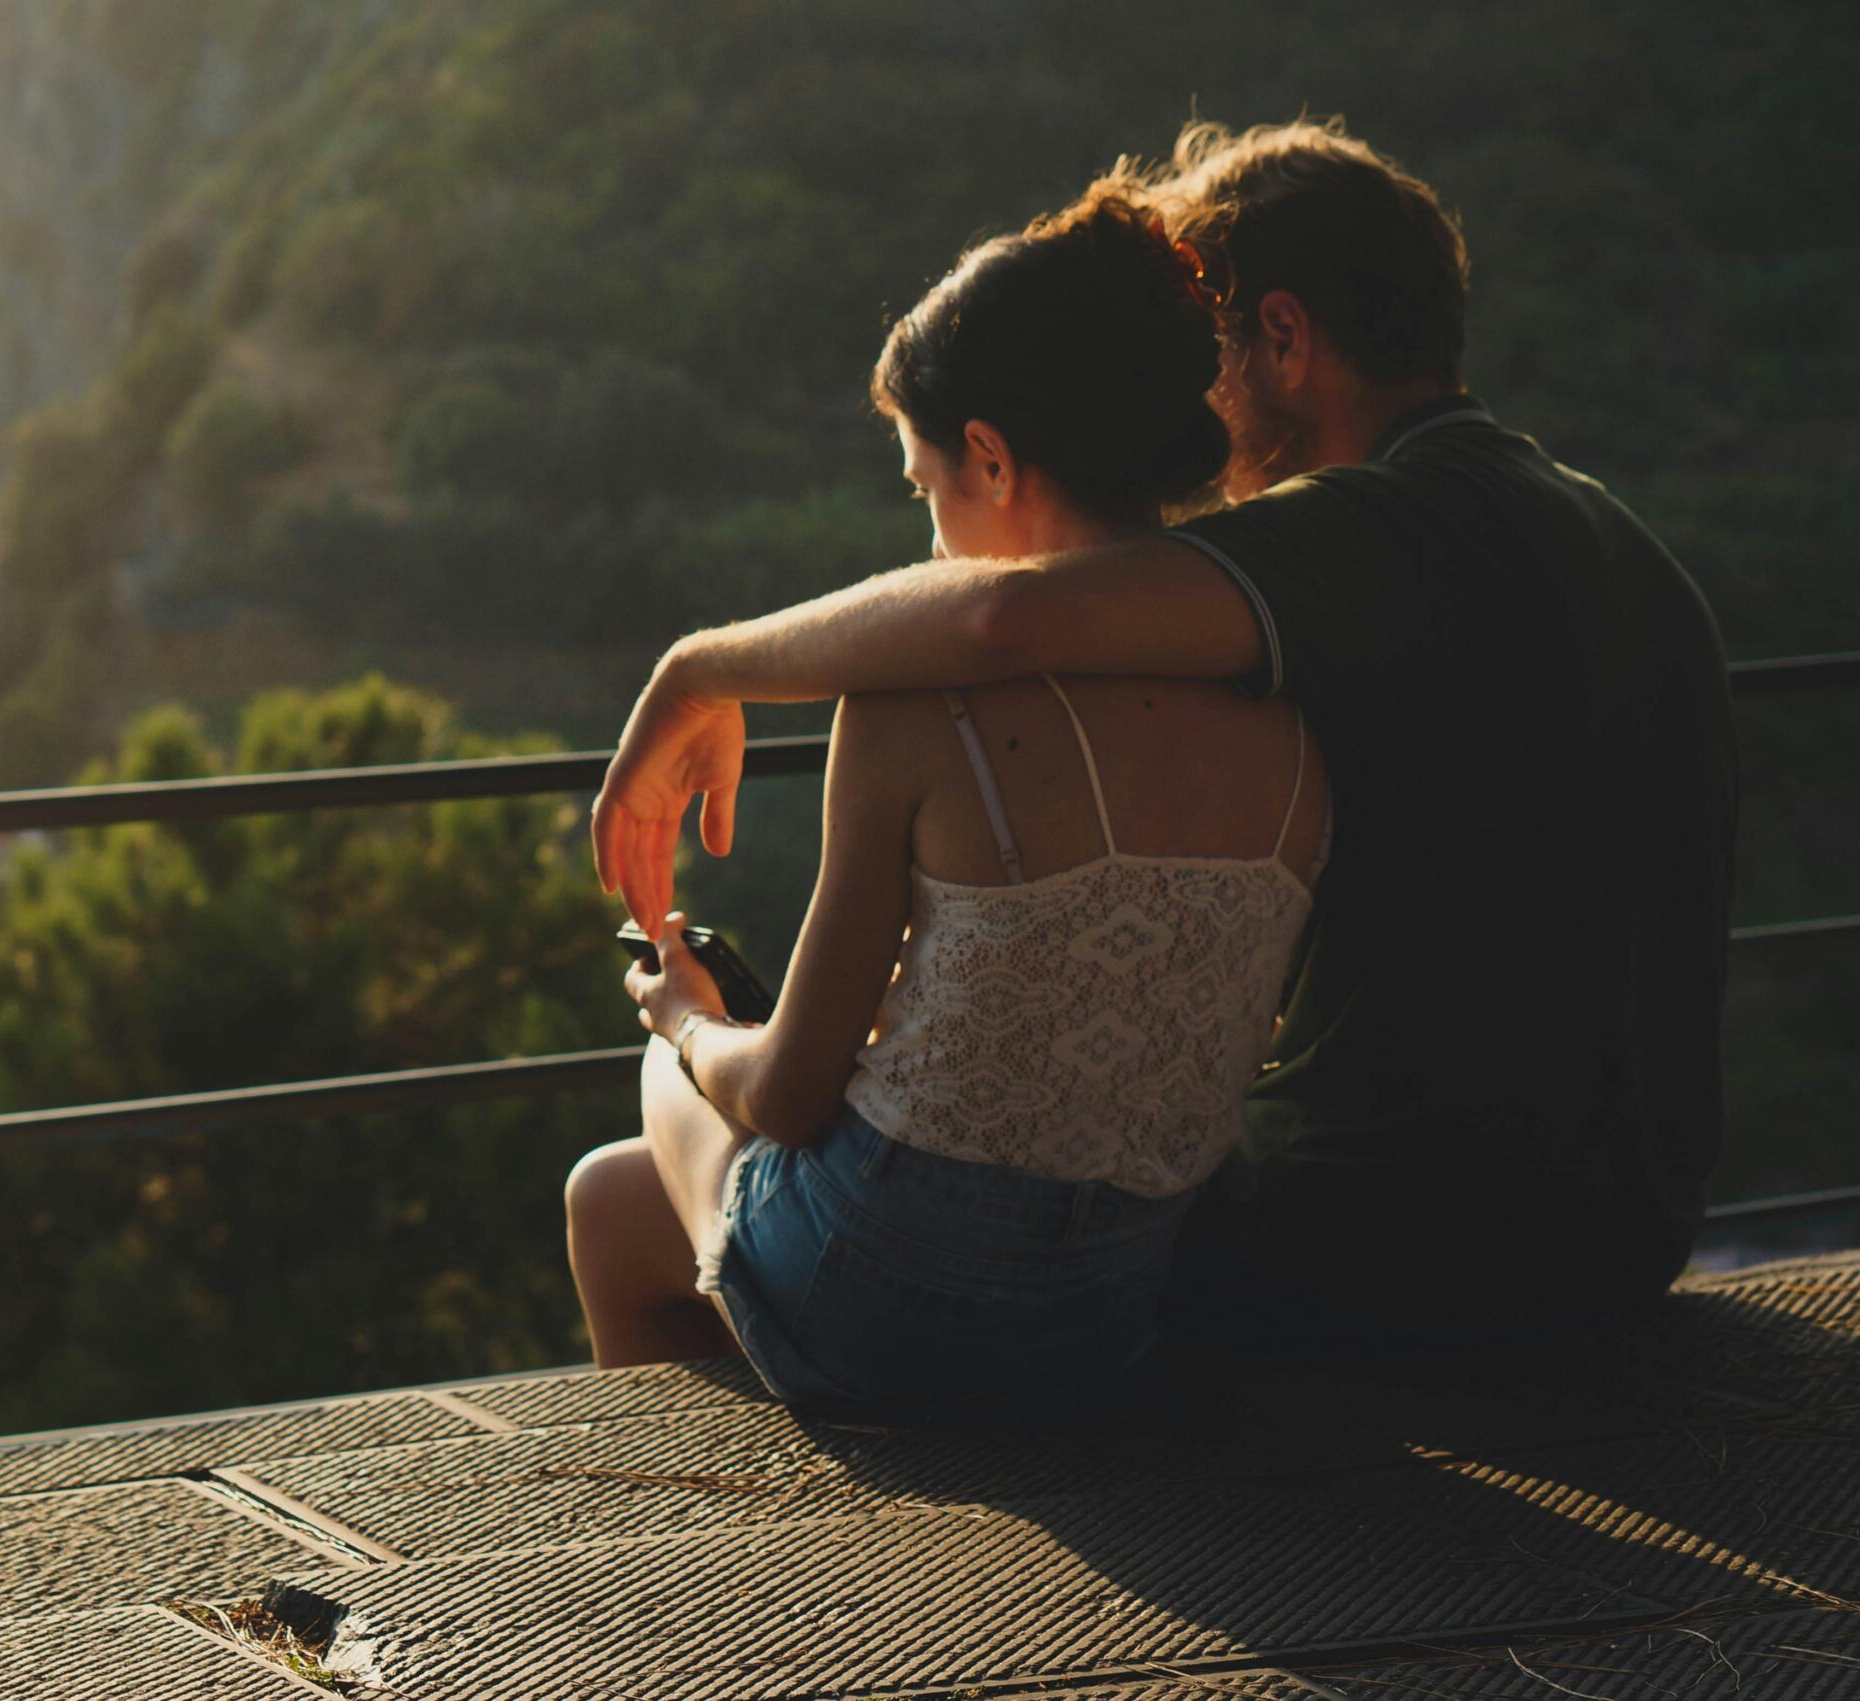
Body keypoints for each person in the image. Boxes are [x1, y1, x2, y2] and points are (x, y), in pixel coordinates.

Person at [588, 119, 1739, 1365]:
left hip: (1395, 1246)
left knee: (653, 1190)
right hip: (1626, 1231)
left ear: (1285, 340)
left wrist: (697, 665)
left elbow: (999, 614)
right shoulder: (1613, 539)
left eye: (1209, 356)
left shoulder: (1373, 533)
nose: (1190, 403)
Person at [563, 183, 1330, 1408]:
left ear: (990, 455)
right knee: (625, 1187)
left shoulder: (921, 710)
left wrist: (684, 1020)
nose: (925, 547)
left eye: (926, 490)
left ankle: (688, 1545)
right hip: (1123, 1308)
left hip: (892, 1303)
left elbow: (786, 1095)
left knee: (636, 1142)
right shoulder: (1285, 704)